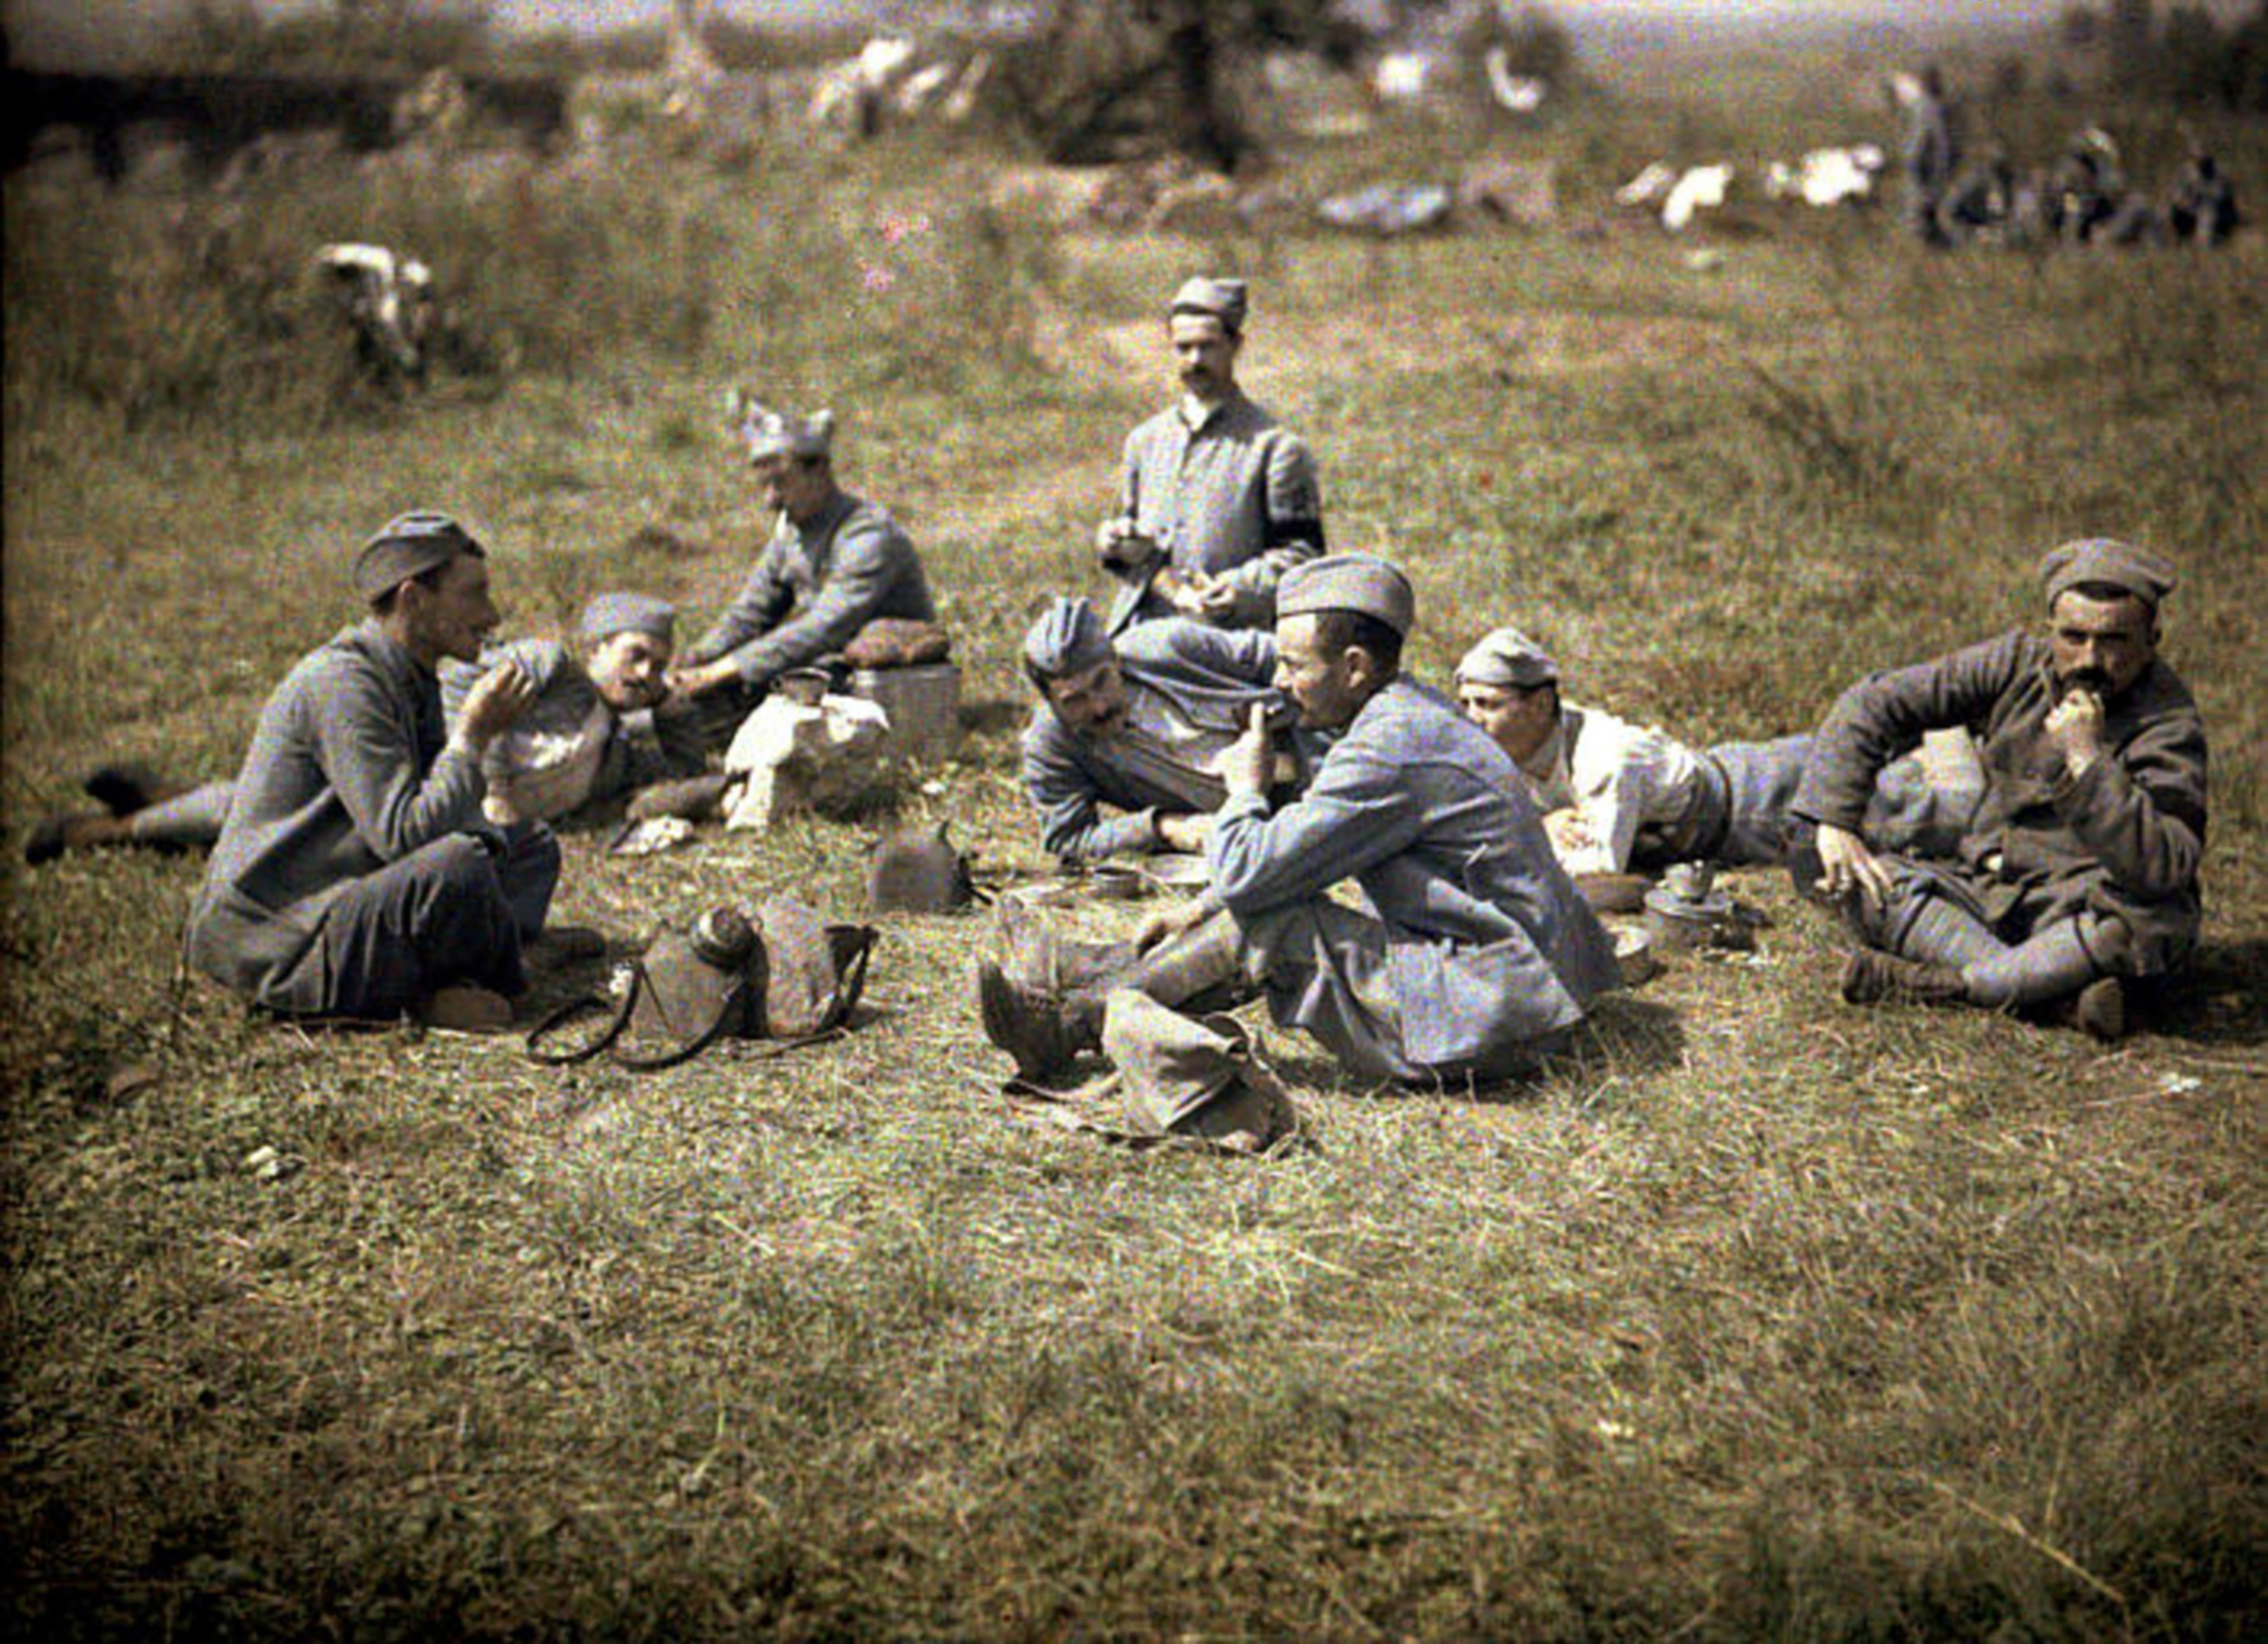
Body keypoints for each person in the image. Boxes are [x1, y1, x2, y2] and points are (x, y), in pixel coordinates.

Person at [977, 554, 1622, 1088]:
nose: (1279, 682)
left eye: (1293, 665)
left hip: (1506, 1013)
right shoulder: (1407, 711)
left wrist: (1244, 788)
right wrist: (1201, 908)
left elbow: (1258, 876)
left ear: (1354, 667)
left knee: (1278, 918)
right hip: (1526, 986)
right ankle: (1089, 976)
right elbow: (1297, 852)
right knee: (1270, 900)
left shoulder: (1386, 750)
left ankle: (1069, 1026)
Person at [1790, 539, 2207, 1042]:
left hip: (2081, 911)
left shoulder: (2169, 722)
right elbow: (1876, 701)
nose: (2091, 658)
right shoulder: (2014, 663)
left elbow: (2163, 867)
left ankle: (1950, 986)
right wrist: (1834, 822)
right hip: (1993, 889)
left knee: (2162, 915)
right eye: (2073, 636)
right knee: (1824, 857)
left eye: (2114, 640)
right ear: (2048, 630)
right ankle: (2053, 996)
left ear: (2152, 639)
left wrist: (2088, 760)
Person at [183, 512, 566, 1030]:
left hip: (344, 889)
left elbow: (437, 812)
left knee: (529, 844)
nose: (492, 615)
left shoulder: (410, 673)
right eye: (473, 594)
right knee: (459, 861)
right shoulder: (343, 683)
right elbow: (406, 838)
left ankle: (486, 959)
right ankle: (436, 991)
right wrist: (473, 736)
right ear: (413, 599)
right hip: (280, 940)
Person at [28, 592, 697, 859]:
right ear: (595, 646)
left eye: (657, 665)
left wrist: (671, 706)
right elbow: (462, 682)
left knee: (287, 829)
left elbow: (683, 769)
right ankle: (104, 831)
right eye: (634, 654)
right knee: (274, 813)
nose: (643, 672)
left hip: (447, 822)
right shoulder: (551, 670)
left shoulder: (614, 753)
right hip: (421, 778)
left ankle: (163, 794)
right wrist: (474, 766)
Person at [1453, 628, 1982, 880]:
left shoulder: (1604, 757)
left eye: (1488, 704)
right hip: (1723, 777)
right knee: (1851, 759)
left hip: (1749, 806)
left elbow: (1601, 868)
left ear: (1541, 702)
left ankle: (1973, 732)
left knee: (1924, 813)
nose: (1471, 717)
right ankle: (1947, 733)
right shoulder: (1509, 743)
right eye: (1466, 703)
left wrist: (1527, 838)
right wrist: (1544, 825)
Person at [666, 405, 934, 751]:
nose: (771, 500)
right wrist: (697, 658)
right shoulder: (793, 531)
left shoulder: (868, 535)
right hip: (821, 663)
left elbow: (823, 627)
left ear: (818, 471)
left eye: (780, 483)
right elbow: (751, 612)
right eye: (765, 485)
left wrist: (720, 672)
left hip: (874, 673)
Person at [1097, 277, 1325, 635]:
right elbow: (1128, 545)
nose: (1195, 360)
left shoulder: (1276, 448)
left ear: (1236, 345)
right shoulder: (1144, 441)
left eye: (1208, 346)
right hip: (1141, 631)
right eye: (1183, 348)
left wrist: (1238, 590)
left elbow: (1303, 555)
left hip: (1231, 641)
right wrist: (1116, 541)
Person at [1018, 594, 1299, 863]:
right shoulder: (1051, 745)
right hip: (1260, 829)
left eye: (1101, 681)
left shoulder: (1166, 646)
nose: (1099, 707)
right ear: (1050, 702)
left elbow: (1283, 656)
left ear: (1115, 660)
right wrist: (1163, 827)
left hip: (1312, 753)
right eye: (1074, 700)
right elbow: (1068, 838)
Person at [1900, 64, 1961, 248]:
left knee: (1925, 210)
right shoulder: (1933, 107)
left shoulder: (1928, 108)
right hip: (1927, 166)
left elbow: (1934, 142)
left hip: (1926, 167)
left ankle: (1935, 245)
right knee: (1926, 210)